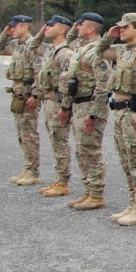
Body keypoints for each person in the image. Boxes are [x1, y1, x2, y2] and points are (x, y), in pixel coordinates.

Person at [96, 13, 136, 224]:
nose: (120, 30)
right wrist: (108, 37)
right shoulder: (121, 51)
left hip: (134, 112)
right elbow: (99, 53)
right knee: (125, 159)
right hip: (119, 111)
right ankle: (132, 203)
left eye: (125, 27)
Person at [58, 13, 111, 210]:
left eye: (80, 25)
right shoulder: (80, 49)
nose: (76, 27)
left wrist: (95, 113)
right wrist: (66, 106)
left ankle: (97, 194)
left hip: (90, 106)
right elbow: (70, 39)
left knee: (90, 149)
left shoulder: (97, 52)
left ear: (90, 29)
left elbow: (103, 85)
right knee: (81, 149)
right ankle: (88, 190)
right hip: (78, 105)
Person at [27, 16, 75, 197]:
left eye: (51, 26)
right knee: (55, 141)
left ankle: (63, 182)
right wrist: (40, 33)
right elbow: (29, 49)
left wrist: (66, 106)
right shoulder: (50, 51)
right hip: (48, 101)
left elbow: (70, 81)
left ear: (62, 30)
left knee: (60, 142)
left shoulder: (65, 54)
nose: (46, 28)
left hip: (57, 102)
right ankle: (59, 179)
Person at [0, 15, 42, 186]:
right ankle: (27, 167)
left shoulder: (33, 45)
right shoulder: (16, 45)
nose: (12, 30)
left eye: (14, 27)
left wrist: (36, 95)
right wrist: (5, 33)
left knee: (29, 133)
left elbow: (39, 72)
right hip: (17, 92)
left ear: (24, 27)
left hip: (28, 91)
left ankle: (33, 171)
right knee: (21, 133)